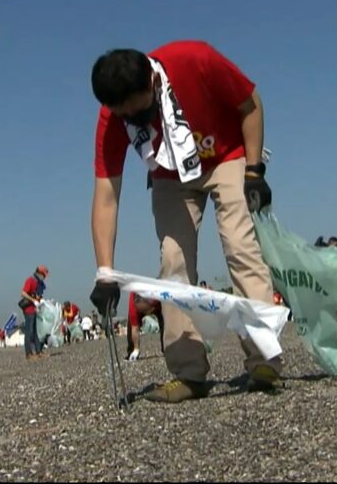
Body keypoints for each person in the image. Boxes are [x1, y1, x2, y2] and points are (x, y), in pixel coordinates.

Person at [89, 41, 283, 403]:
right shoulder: (112, 118)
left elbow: (250, 104)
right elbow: (106, 197)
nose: (134, 121)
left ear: (152, 81)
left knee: (240, 247)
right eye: (126, 117)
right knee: (173, 263)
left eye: (141, 111)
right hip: (169, 174)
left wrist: (255, 170)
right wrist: (105, 272)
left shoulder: (194, 60)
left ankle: (263, 360)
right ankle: (188, 373)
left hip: (226, 155)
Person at [20, 265, 48, 360]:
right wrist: (33, 300)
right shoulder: (30, 280)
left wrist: (41, 302)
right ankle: (29, 354)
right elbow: (23, 293)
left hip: (35, 309)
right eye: (43, 275)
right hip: (28, 309)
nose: (44, 277)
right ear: (39, 273)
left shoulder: (39, 283)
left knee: (36, 332)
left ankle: (38, 351)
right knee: (29, 331)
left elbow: (38, 295)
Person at [126, 292, 164, 361]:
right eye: (143, 312)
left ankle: (166, 348)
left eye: (147, 311)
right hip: (142, 304)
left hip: (157, 304)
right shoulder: (133, 307)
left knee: (165, 321)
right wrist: (136, 349)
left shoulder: (159, 297)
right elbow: (135, 328)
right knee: (131, 325)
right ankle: (132, 351)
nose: (146, 314)